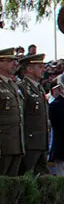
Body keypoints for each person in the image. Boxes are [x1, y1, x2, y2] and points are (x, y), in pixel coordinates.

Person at [16, 53, 49, 175]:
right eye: (39, 67)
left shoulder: (39, 88)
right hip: (30, 141)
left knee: (42, 177)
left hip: (41, 141)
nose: (43, 70)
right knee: (27, 175)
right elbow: (20, 116)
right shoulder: (23, 87)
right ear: (29, 69)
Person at [0, 47, 25, 175]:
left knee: (12, 182)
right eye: (10, 61)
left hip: (15, 143)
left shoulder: (12, 84)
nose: (15, 64)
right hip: (3, 144)